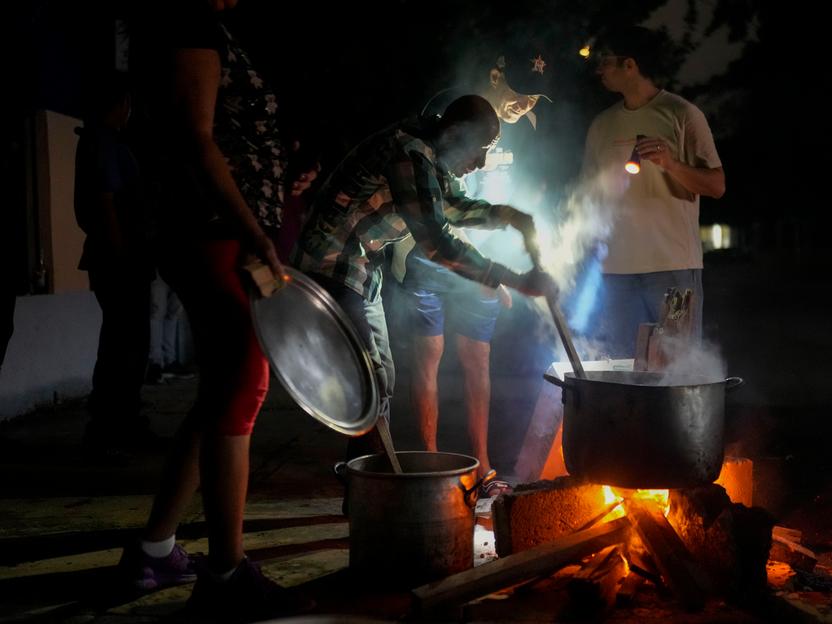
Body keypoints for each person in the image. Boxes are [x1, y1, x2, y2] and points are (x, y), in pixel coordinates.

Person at [120, 1, 315, 619]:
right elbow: (197, 139)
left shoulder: (199, 26)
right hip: (210, 230)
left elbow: (224, 138)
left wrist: (278, 181)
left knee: (219, 393)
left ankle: (155, 549)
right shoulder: (185, 25)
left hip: (217, 228)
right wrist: (254, 229)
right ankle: (226, 573)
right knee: (243, 380)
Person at [291, 95, 557, 473]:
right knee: (370, 381)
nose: (480, 162)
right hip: (332, 267)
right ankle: (374, 488)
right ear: (454, 133)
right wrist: (513, 280)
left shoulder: (428, 154)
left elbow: (451, 206)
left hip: (361, 271)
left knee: (381, 382)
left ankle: (366, 487)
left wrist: (509, 216)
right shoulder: (409, 151)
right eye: (480, 150)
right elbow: (437, 240)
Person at [389, 45, 556, 495]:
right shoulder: (448, 111)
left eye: (536, 98)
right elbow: (435, 209)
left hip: (478, 258)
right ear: (497, 77)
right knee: (428, 356)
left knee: (477, 359)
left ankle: (481, 468)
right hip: (431, 252)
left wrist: (503, 257)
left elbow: (511, 194)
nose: (527, 104)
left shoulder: (528, 132)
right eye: (523, 92)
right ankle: (429, 463)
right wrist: (502, 275)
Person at [582, 26, 726, 357]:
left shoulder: (683, 114)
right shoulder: (601, 126)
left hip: (672, 269)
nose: (599, 70)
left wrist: (672, 164)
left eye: (605, 62)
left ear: (629, 65)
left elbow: (717, 185)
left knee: (675, 371)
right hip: (616, 273)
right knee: (623, 371)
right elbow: (587, 196)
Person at [72, 71, 159, 458]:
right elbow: (106, 201)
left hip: (117, 255)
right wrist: (123, 251)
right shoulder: (103, 143)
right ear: (120, 103)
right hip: (120, 257)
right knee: (125, 342)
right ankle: (113, 425)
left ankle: (117, 422)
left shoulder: (99, 142)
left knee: (124, 340)